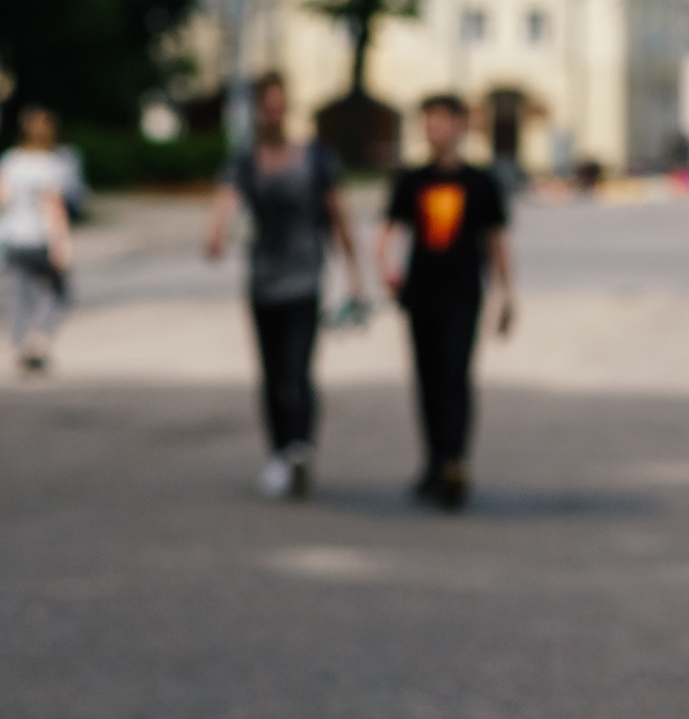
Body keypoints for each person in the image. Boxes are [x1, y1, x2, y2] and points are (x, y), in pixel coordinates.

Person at [205, 74, 366, 501]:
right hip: (262, 281)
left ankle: (301, 448)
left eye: (280, 103)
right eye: (267, 104)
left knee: (298, 369)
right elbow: (226, 199)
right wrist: (217, 232)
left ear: (288, 107)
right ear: (260, 109)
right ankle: (278, 453)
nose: (274, 112)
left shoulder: (315, 158)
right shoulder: (246, 159)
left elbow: (338, 216)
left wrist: (354, 275)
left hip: (305, 278)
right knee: (272, 373)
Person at [382, 94, 512, 510]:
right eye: (427, 122)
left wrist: (507, 294)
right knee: (426, 379)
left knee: (455, 375)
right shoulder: (412, 180)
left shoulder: (480, 182)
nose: (432, 130)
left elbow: (496, 241)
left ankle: (456, 461)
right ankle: (434, 461)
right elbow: (389, 232)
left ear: (460, 127)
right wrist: (385, 267)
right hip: (420, 294)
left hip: (463, 294)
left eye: (440, 121)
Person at [0, 106, 73, 374]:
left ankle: (20, 344)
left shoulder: (10, 161)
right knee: (60, 293)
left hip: (14, 237)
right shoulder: (52, 163)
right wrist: (62, 243)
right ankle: (39, 341)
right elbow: (54, 207)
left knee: (19, 294)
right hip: (41, 238)